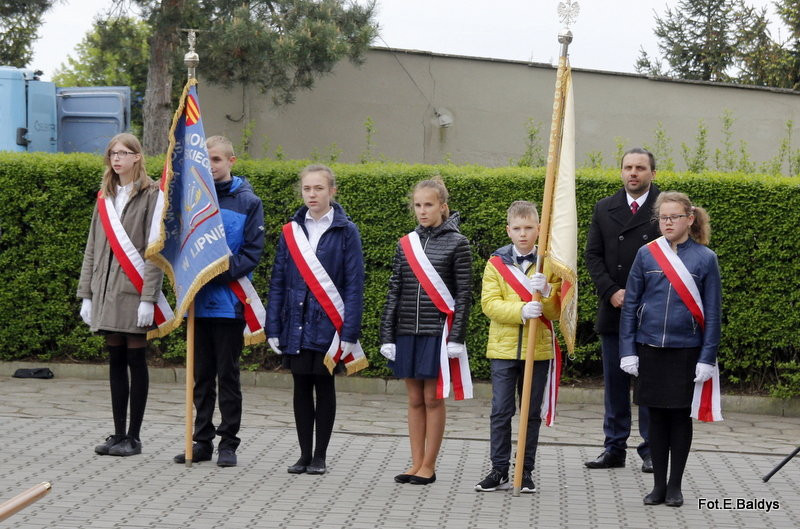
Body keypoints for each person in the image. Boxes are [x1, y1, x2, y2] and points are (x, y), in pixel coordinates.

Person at [619, 191, 721, 507]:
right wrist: (628, 350)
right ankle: (658, 487)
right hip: (649, 348)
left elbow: (714, 313)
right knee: (655, 419)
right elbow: (631, 303)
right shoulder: (646, 254)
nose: (667, 223)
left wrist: (707, 357)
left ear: (689, 219)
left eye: (674, 217)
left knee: (679, 418)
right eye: (663, 217)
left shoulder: (706, 259)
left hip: (685, 350)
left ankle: (675, 486)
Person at [266, 164, 365, 476]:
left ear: (331, 192)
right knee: (300, 386)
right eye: (307, 189)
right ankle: (303, 454)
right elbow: (279, 279)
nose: (312, 194)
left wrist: (349, 331)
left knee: (324, 384)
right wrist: (273, 326)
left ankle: (320, 455)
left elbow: (354, 285)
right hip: (295, 321)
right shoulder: (291, 230)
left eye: (318, 188)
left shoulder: (346, 231)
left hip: (328, 324)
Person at [173, 136, 265, 467]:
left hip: (229, 303)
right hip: (199, 303)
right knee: (200, 376)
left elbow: (251, 253)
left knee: (227, 375)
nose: (211, 166)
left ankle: (228, 442)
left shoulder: (248, 202)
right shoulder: (193, 199)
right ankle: (200, 440)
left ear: (231, 161)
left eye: (216, 160)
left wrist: (213, 274)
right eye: (206, 160)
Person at [380, 178, 472, 485]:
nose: (422, 211)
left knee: (433, 398)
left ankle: (429, 466)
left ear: (442, 207)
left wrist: (456, 337)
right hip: (407, 330)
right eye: (418, 205)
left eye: (428, 205)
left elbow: (463, 294)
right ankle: (415, 462)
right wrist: (387, 335)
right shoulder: (406, 243)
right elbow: (395, 290)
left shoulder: (459, 243)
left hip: (438, 333)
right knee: (414, 399)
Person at [78, 133, 165, 457]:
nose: (117, 159)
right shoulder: (105, 196)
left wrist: (148, 297)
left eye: (124, 153)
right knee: (115, 358)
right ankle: (117, 433)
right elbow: (92, 248)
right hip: (105, 291)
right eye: (113, 153)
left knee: (135, 358)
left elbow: (154, 251)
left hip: (133, 290)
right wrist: (85, 293)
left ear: (138, 157)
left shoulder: (152, 195)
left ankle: (134, 436)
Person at [474, 201, 561, 494]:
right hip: (504, 349)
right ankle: (499, 468)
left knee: (530, 412)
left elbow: (558, 311)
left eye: (528, 228)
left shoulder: (550, 264)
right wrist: (522, 310)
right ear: (508, 230)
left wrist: (548, 292)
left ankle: (524, 470)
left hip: (537, 350)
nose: (523, 234)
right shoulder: (495, 263)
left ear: (539, 229)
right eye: (517, 228)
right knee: (501, 410)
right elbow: (489, 304)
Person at [584, 147, 660, 472]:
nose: (633, 173)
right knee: (615, 385)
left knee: (649, 384)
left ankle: (651, 449)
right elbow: (593, 256)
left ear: (652, 174)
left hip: (651, 313)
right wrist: (612, 291)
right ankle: (614, 448)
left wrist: (644, 296)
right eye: (628, 167)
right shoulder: (604, 208)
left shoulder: (664, 209)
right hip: (614, 309)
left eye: (640, 168)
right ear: (621, 172)